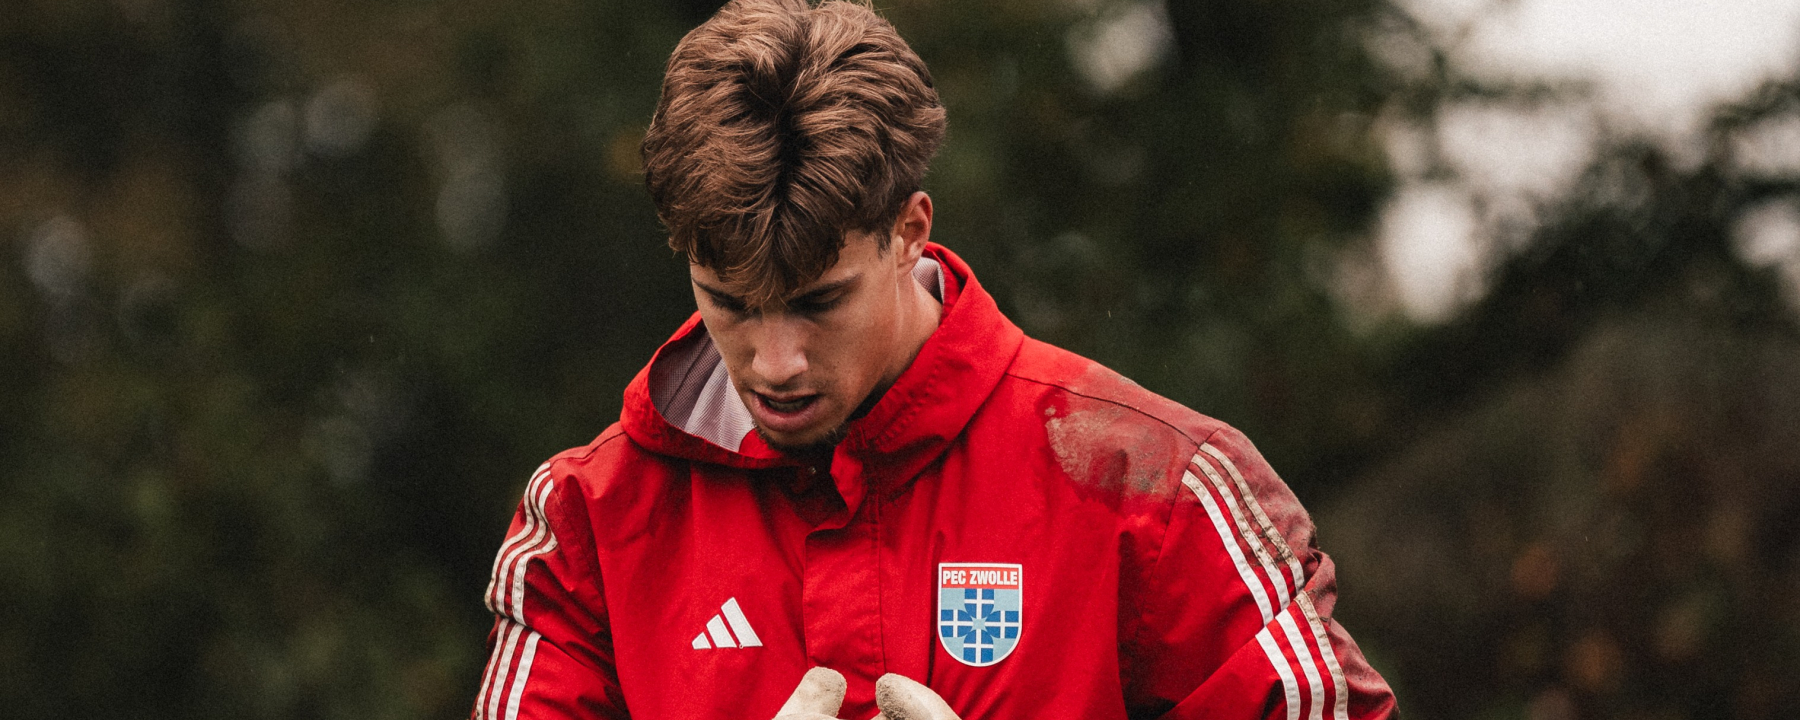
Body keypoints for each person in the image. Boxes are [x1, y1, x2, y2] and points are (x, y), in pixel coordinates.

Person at [471, 0, 1399, 718]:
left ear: (909, 231)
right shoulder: (588, 525)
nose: (776, 361)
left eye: (819, 302)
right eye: (729, 306)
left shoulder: (1159, 490)